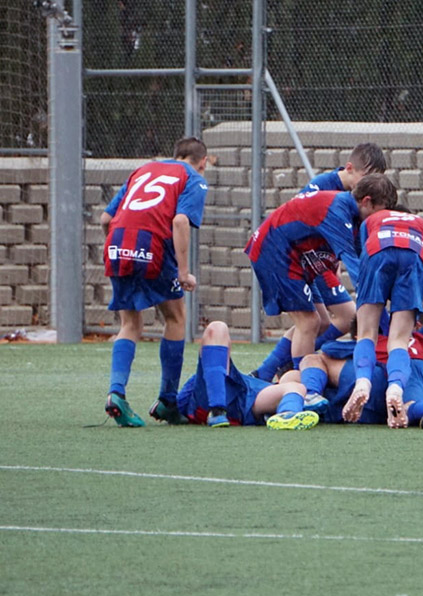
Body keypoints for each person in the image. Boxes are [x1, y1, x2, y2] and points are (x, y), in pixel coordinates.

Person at [251, 143, 388, 381]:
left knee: (328, 320)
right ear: (350, 169)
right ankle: (296, 377)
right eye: (368, 177)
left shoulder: (355, 202)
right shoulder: (325, 190)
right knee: (314, 320)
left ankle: (284, 367)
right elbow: (297, 220)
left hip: (317, 260)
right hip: (298, 255)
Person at [100, 137, 209, 427]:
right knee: (175, 317)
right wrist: (183, 272)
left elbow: (105, 217)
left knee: (130, 324)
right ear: (204, 161)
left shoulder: (144, 169)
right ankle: (168, 402)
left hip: (117, 241)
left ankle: (116, 394)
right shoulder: (193, 178)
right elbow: (180, 222)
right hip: (153, 245)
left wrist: (116, 247)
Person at [342, 208, 423, 428]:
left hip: (377, 249)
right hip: (414, 253)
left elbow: (362, 263)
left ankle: (362, 383)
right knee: (398, 341)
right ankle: (396, 387)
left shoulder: (371, 221)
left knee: (366, 334)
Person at [149, 321, 319, 430]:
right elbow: (302, 326)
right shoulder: (264, 374)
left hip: (245, 401)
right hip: (218, 393)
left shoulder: (276, 386)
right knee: (218, 328)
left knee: (296, 386)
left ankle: (287, 414)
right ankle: (217, 410)